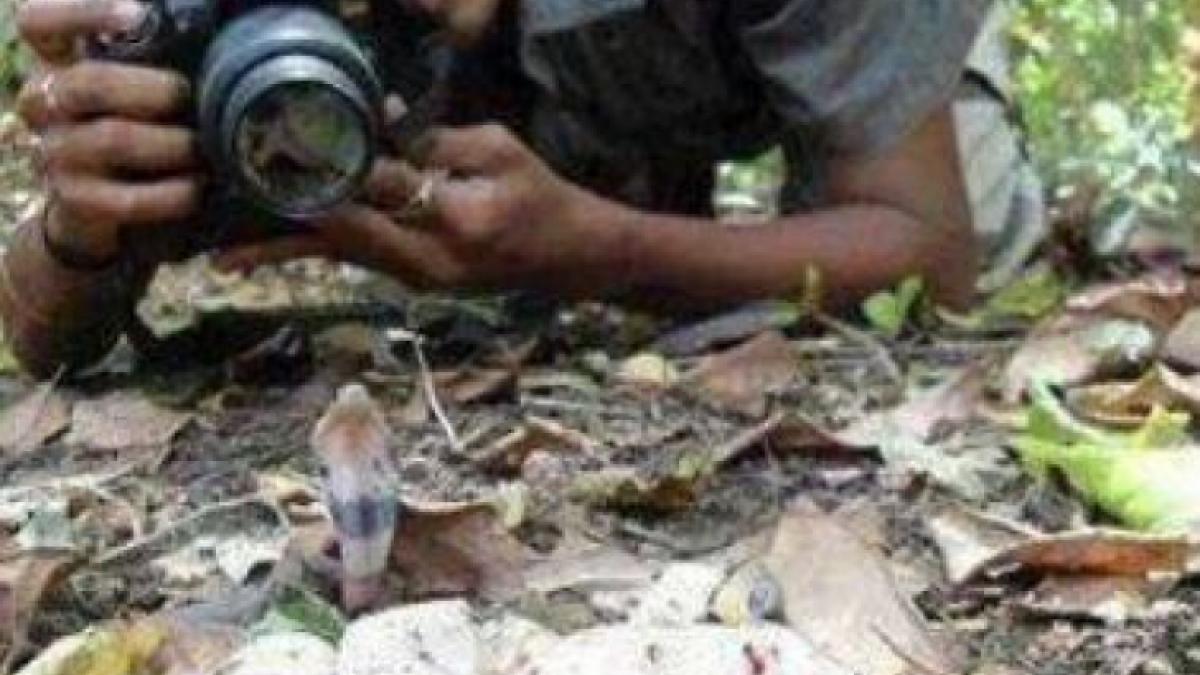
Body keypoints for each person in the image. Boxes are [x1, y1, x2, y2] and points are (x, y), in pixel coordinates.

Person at [3, 0, 1042, 380]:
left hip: (820, 46)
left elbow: (928, 252)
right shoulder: (216, 30)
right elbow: (44, 337)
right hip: (561, 94)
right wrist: (81, 229)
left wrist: (598, 252)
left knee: (981, 244)